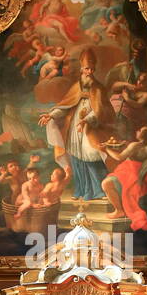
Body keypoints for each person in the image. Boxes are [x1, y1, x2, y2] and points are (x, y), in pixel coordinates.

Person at [38, 53, 114, 200]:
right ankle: (81, 190)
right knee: (77, 159)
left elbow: (100, 111)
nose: (89, 72)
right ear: (81, 69)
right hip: (74, 127)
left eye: (92, 69)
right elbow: (66, 105)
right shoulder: (76, 87)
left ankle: (98, 191)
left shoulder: (98, 88)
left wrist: (87, 120)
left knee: (92, 156)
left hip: (91, 128)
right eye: (87, 69)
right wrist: (51, 115)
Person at [101, 128, 147, 231]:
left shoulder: (134, 145)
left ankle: (119, 210)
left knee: (106, 184)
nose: (137, 131)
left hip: (130, 173)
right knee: (109, 183)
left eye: (139, 130)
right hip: (136, 173)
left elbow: (119, 157)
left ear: (142, 135)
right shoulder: (144, 146)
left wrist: (106, 149)